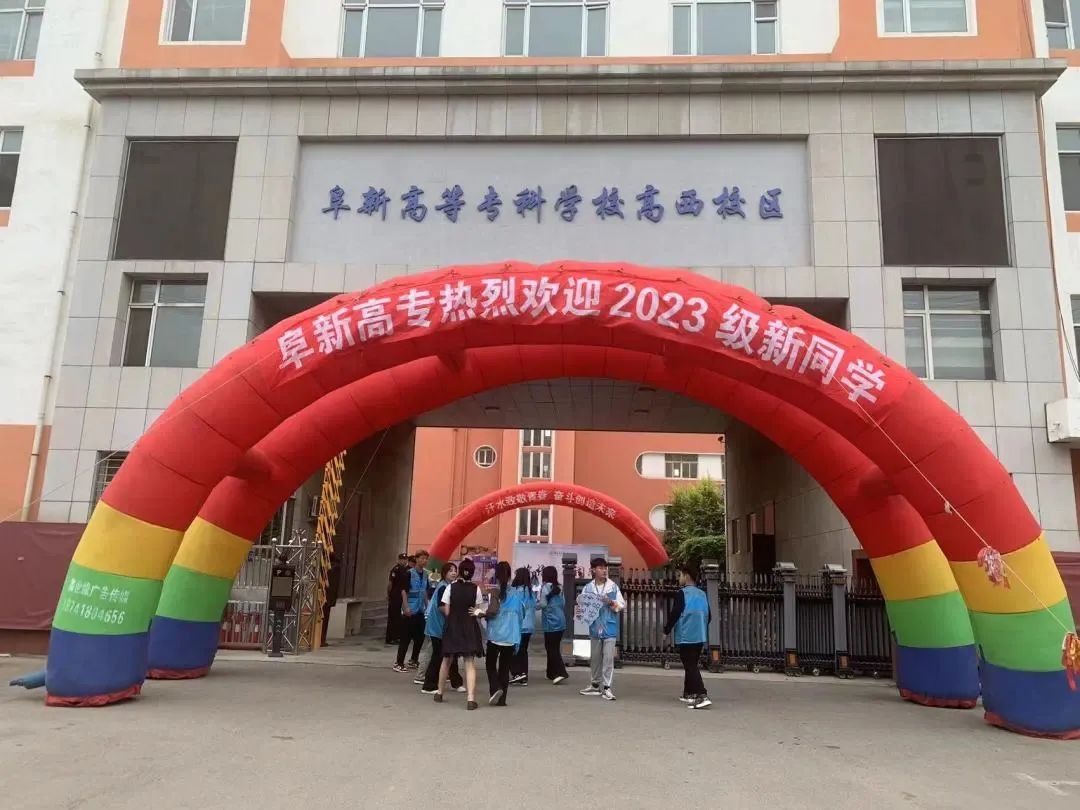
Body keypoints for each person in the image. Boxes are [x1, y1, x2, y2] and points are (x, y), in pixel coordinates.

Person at [435, 557, 486, 710]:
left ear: (459, 572)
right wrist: (474, 612)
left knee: (446, 660)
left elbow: (447, 610)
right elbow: (477, 610)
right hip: (469, 627)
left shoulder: (450, 587)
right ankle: (471, 699)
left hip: (453, 626)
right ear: (472, 573)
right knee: (469, 663)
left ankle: (439, 692)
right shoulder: (476, 589)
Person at [664, 563, 712, 709]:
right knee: (692, 665)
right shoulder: (702, 594)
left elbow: (675, 613)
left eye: (680, 575)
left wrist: (666, 630)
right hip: (700, 635)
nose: (679, 578)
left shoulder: (682, 593)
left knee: (690, 666)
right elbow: (709, 615)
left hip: (686, 635)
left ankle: (702, 695)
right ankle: (689, 693)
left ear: (686, 576)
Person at [578, 558, 625, 701]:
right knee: (595, 658)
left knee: (608, 659)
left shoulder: (613, 587)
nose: (604, 570)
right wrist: (581, 612)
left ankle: (607, 687)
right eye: (600, 568)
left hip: (609, 627)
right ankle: (594, 684)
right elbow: (582, 606)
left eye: (605, 568)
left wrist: (610, 602)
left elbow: (621, 605)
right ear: (593, 570)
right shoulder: (588, 588)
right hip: (594, 628)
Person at [420, 563, 465, 695]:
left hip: (445, 627)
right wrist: (455, 615)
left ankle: (456, 682)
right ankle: (428, 685)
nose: (453, 573)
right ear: (444, 573)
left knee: (451, 654)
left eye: (455, 570)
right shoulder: (443, 587)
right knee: (438, 656)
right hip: (437, 627)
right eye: (450, 571)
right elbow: (441, 607)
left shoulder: (449, 586)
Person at [484, 561, 523, 707]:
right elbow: (521, 614)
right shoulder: (517, 593)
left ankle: (495, 688)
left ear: (497, 575)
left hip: (495, 634)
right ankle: (502, 700)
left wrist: (483, 614)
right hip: (511, 635)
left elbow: (491, 612)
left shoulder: (495, 592)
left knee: (490, 664)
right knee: (505, 668)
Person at [394, 551, 430, 673]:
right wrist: (405, 607)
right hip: (410, 608)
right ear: (416, 559)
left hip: (420, 610)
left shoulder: (425, 574)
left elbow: (424, 591)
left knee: (420, 637)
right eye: (422, 558)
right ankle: (399, 662)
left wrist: (427, 607)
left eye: (426, 559)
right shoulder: (409, 573)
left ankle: (414, 659)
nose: (424, 561)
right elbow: (404, 591)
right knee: (406, 637)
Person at [538, 565, 568, 684]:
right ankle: (550, 673)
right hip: (561, 621)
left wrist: (533, 606)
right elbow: (564, 603)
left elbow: (543, 604)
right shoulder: (560, 587)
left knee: (552, 649)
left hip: (550, 622)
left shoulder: (545, 587)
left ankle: (561, 672)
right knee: (553, 647)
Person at [510, 567, 536, 686]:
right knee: (523, 650)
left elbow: (513, 608)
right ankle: (524, 675)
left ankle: (517, 673)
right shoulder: (530, 592)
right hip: (529, 626)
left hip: (518, 625)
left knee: (514, 650)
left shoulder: (516, 591)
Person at [386, 553, 408, 644]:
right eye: (402, 559)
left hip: (401, 596)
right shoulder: (395, 569)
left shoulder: (405, 570)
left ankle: (396, 636)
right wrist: (389, 594)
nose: (404, 561)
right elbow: (390, 583)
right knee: (393, 617)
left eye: (405, 559)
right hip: (395, 595)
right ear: (399, 560)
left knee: (398, 618)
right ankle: (390, 638)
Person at [320, 552, 341, 648]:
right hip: (330, 596)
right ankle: (322, 639)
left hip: (325, 595)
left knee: (323, 618)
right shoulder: (336, 568)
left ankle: (321, 639)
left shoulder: (328, 568)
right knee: (325, 618)